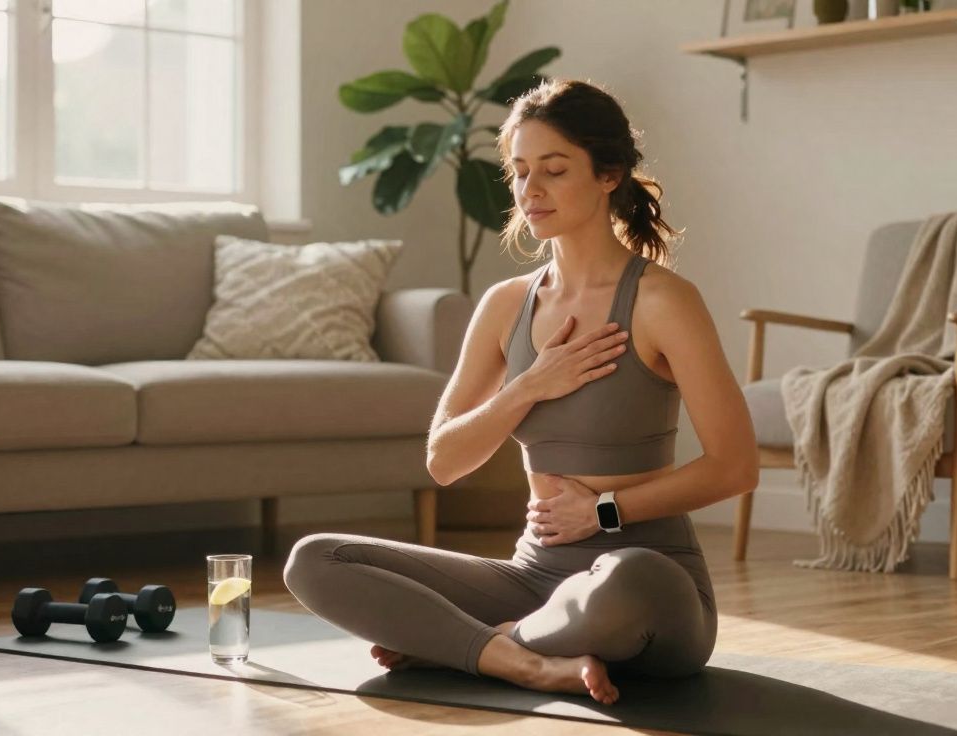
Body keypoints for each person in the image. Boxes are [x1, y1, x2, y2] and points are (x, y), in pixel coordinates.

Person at [284, 78, 758, 706]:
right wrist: (527, 386)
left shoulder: (663, 302)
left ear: (608, 174)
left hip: (646, 586)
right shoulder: (506, 306)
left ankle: (483, 642)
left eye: (554, 171)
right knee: (315, 559)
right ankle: (525, 661)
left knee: (626, 578)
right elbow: (444, 461)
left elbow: (736, 465)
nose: (530, 191)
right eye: (518, 171)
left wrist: (603, 510)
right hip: (534, 575)